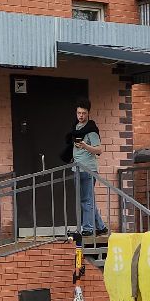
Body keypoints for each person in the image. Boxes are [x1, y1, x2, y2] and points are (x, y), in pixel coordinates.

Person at [64, 101, 104, 236]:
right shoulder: (75, 127)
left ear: (88, 113)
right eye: (78, 113)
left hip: (88, 169)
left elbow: (99, 150)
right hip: (77, 168)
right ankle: (101, 226)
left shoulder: (91, 130)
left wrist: (85, 146)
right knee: (87, 199)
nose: (81, 116)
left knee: (86, 200)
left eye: (83, 113)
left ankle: (87, 228)